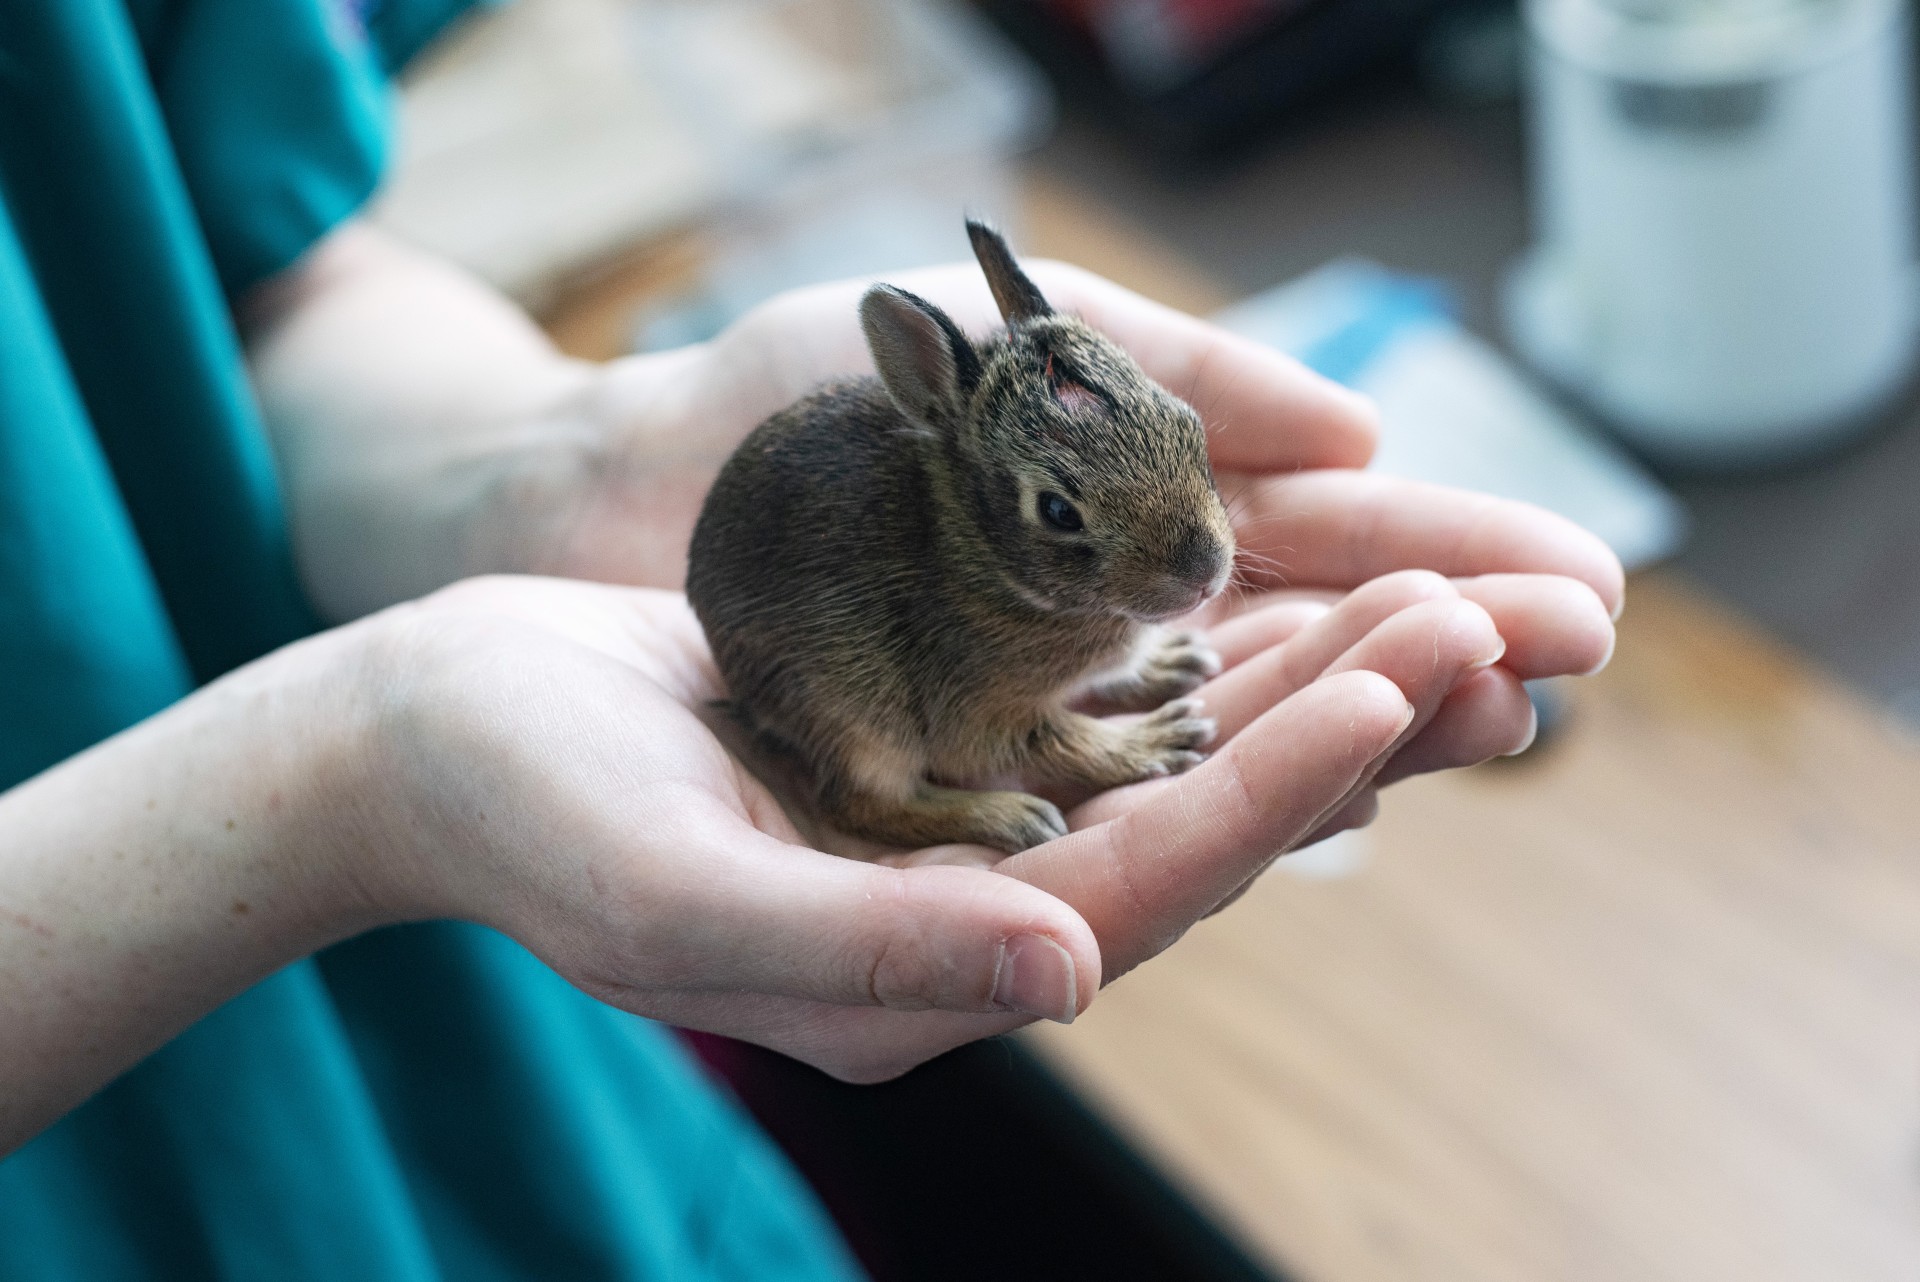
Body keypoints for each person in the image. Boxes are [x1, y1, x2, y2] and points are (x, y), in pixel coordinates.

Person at [0, 0, 1623, 1275]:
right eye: (1071, 525)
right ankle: (895, 802)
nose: (1207, 558)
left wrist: (549, 461)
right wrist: (341, 776)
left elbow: (241, 260)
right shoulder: (973, 605)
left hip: (541, 1146)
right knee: (914, 736)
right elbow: (994, 709)